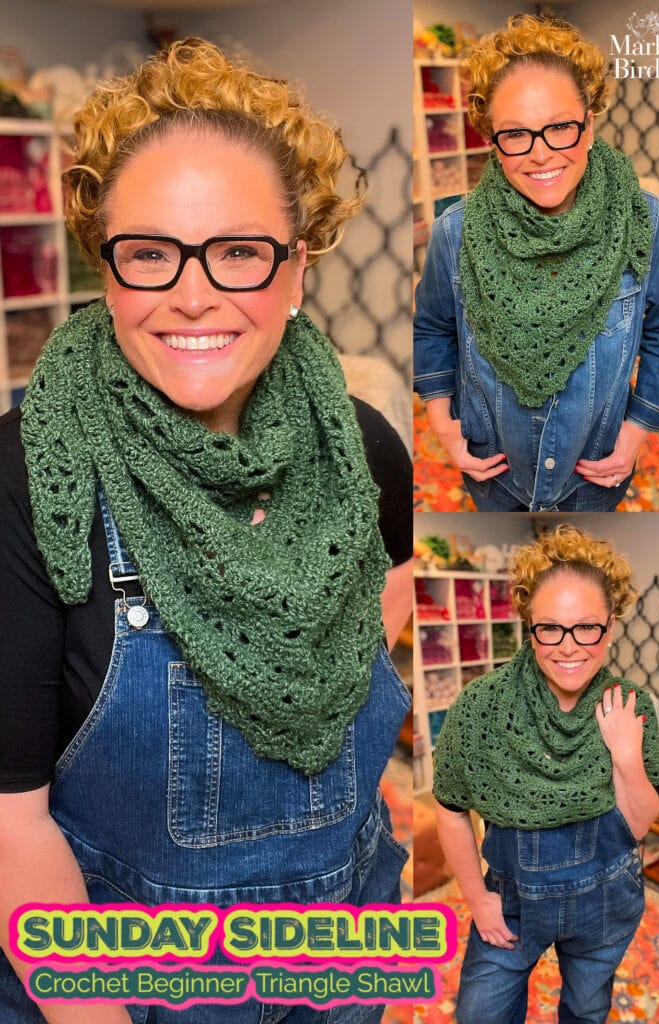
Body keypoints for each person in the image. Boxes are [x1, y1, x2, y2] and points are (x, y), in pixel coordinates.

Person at [0, 38, 414, 1024]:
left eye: (237, 250)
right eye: (150, 252)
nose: (194, 294)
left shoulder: (366, 449)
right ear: (107, 266)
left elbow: (381, 625)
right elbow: (12, 832)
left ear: (296, 268)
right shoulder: (24, 477)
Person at [414, 13, 659, 511]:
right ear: (492, 140)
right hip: (494, 477)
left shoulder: (645, 222)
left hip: (593, 480)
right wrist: (442, 426)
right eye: (516, 134)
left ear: (589, 123)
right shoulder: (455, 231)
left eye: (559, 127)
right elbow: (433, 327)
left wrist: (635, 434)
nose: (540, 154)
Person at [433, 524, 659, 1024]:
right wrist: (477, 899)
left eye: (587, 627)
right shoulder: (479, 708)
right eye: (550, 628)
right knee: (479, 1014)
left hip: (605, 904)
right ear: (529, 625)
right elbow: (449, 809)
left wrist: (625, 753)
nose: (568, 647)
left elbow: (642, 823)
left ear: (610, 624)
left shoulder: (630, 706)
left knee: (586, 1011)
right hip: (511, 903)